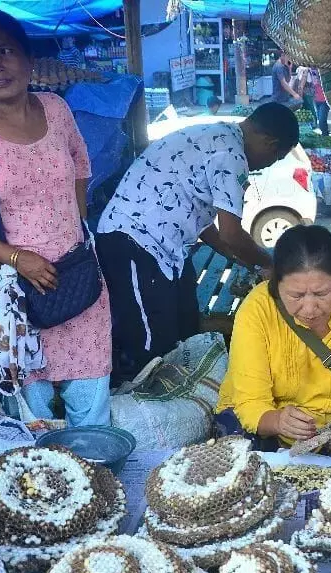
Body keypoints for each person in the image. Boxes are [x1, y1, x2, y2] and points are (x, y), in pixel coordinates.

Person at [0, 8, 111, 425]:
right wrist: (18, 258)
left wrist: (73, 233)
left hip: (75, 279)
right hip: (14, 294)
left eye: (5, 50)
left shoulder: (56, 109)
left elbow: (81, 165)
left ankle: (95, 466)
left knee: (91, 405)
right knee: (31, 421)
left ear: (29, 59)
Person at [95, 103, 299, 382]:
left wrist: (241, 258)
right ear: (270, 144)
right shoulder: (231, 154)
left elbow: (207, 226)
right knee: (149, 346)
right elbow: (231, 233)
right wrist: (270, 264)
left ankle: (184, 395)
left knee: (185, 325)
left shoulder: (217, 135)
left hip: (166, 249)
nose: (266, 166)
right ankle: (142, 402)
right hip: (132, 241)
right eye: (274, 159)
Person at [216, 225, 331, 455]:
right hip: (268, 423)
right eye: (296, 296)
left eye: (321, 294)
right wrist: (277, 421)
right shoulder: (256, 310)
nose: (309, 309)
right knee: (237, 453)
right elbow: (250, 401)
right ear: (276, 284)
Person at [310, 68, 330, 134]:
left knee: (322, 121)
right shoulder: (311, 71)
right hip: (316, 100)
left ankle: (325, 135)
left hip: (324, 100)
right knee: (320, 120)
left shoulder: (323, 71)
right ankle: (325, 135)